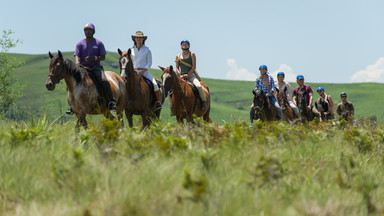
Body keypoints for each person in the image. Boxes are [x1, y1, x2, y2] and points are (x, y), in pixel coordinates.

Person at [66, 23, 116, 115]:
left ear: (93, 32)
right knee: (71, 82)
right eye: (86, 30)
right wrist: (77, 63)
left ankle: (111, 102)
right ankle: (73, 105)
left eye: (90, 30)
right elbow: (77, 55)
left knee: (104, 80)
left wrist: (94, 58)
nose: (87, 32)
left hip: (95, 67)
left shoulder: (99, 43)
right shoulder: (80, 44)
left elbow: (103, 57)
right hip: (83, 68)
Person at [130, 31, 161, 110]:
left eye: (140, 38)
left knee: (155, 84)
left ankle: (158, 102)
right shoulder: (131, 50)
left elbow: (149, 62)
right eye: (137, 37)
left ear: (143, 39)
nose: (138, 39)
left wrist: (144, 70)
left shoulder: (147, 49)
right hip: (134, 72)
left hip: (145, 72)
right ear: (135, 39)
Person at [175, 40, 207, 110]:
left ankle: (204, 102)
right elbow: (177, 67)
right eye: (182, 43)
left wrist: (188, 75)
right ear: (181, 46)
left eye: (186, 43)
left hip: (191, 75)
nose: (184, 44)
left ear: (189, 46)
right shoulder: (178, 56)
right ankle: (172, 107)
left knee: (198, 86)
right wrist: (179, 74)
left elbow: (193, 67)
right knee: (171, 90)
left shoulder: (192, 54)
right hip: (181, 76)